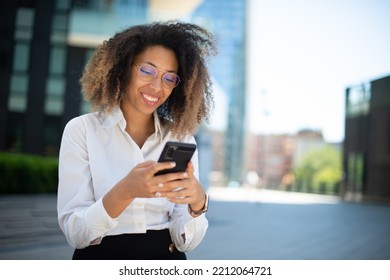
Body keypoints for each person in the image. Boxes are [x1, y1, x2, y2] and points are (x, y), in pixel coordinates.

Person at [57, 21, 217, 260]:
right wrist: (126, 190)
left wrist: (197, 203)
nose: (156, 86)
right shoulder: (82, 130)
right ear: (123, 68)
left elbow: (186, 242)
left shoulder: (181, 138)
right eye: (147, 70)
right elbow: (76, 233)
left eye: (169, 78)